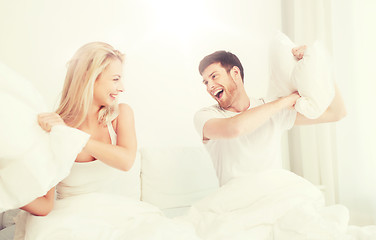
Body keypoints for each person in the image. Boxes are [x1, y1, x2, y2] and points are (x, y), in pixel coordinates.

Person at [15, 42, 199, 240]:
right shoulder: (53, 127)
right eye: (116, 79)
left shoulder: (121, 114)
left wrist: (71, 136)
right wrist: (7, 189)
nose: (122, 88)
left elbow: (126, 160)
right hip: (69, 217)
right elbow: (45, 205)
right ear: (89, 77)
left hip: (116, 213)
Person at [194, 47, 346, 186]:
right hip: (235, 202)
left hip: (273, 197)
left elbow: (337, 112)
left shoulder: (271, 108)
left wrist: (320, 67)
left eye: (214, 77)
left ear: (235, 73)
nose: (209, 86)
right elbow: (235, 129)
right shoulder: (206, 116)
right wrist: (285, 101)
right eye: (206, 82)